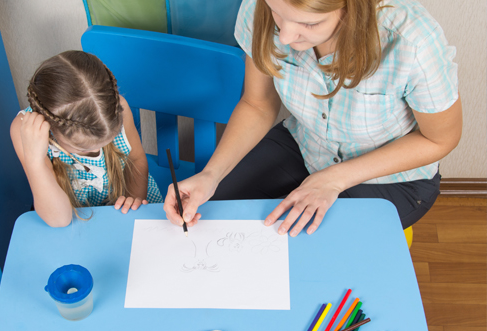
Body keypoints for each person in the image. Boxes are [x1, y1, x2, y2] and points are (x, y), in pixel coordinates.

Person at [164, 0, 462, 237]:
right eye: (277, 12)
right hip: (305, 144)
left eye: (309, 23)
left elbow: (440, 138)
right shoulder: (258, 9)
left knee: (310, 255)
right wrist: (211, 175)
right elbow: (257, 105)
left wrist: (332, 179)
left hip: (392, 177)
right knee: (214, 215)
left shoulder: (412, 40)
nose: (285, 36)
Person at [11, 51, 163, 227]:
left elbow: (135, 159)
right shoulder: (25, 131)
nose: (95, 151)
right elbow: (59, 220)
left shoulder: (117, 107)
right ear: (50, 127)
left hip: (126, 200)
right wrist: (35, 162)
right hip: (74, 216)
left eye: (108, 140)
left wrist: (132, 201)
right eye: (83, 149)